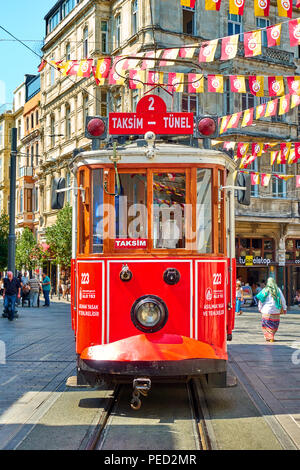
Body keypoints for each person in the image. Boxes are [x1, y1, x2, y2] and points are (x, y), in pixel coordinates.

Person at [256, 277, 287, 343]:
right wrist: (284, 308)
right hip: (276, 310)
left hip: (266, 310)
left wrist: (260, 307)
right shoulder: (278, 290)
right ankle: (271, 336)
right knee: (274, 324)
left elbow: (261, 300)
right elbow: (282, 299)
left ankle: (269, 336)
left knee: (266, 324)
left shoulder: (265, 290)